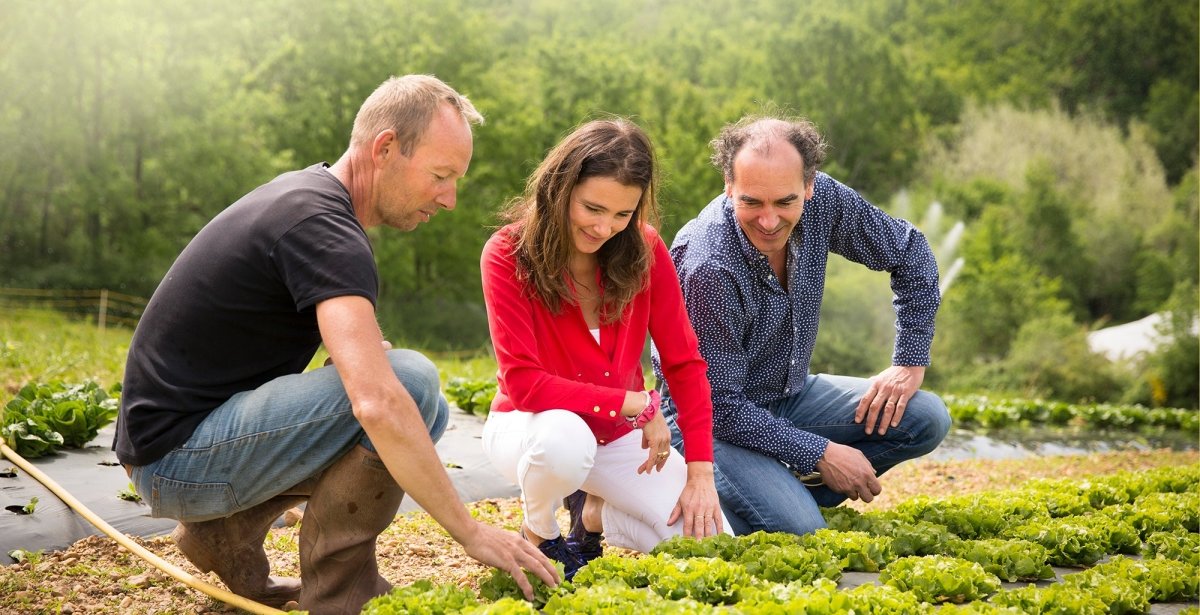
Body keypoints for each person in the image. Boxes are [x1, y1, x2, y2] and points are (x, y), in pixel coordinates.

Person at [113, 75, 557, 614]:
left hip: (172, 445)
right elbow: (376, 401)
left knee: (419, 404)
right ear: (386, 148)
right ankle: (341, 591)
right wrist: (469, 531)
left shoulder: (311, 199)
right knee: (408, 386)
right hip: (177, 460)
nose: (450, 199)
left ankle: (224, 536)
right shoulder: (324, 229)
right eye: (441, 176)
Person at [653, 115, 952, 536]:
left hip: (790, 395)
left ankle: (781, 488)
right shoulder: (708, 264)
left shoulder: (825, 201)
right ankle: (682, 494)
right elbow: (717, 404)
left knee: (927, 416)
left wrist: (909, 360)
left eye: (785, 202)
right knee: (802, 530)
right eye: (752, 202)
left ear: (809, 185)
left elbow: (911, 251)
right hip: (707, 423)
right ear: (728, 184)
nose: (769, 220)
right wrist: (822, 452)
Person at [479, 119, 728, 579]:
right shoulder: (507, 254)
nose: (604, 227)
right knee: (564, 442)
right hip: (529, 428)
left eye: (622, 215)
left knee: (709, 547)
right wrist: (635, 402)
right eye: (593, 207)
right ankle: (539, 532)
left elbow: (684, 363)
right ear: (560, 187)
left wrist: (700, 473)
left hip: (615, 436)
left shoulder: (646, 250)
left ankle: (594, 516)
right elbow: (526, 385)